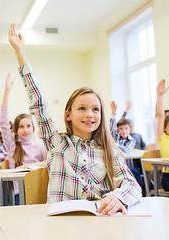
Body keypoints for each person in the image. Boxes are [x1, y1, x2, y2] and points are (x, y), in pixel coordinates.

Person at [8, 23, 141, 215]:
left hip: (99, 222)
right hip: (62, 224)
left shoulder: (108, 151)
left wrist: (118, 197)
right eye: (82, 108)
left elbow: (132, 184)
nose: (90, 114)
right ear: (68, 115)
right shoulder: (57, 143)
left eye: (96, 109)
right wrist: (21, 53)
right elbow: (38, 103)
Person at [0, 72, 47, 204]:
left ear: (33, 128)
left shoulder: (40, 147)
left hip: (41, 192)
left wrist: (29, 166)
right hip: (20, 194)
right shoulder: (12, 147)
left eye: (28, 126)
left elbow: (49, 163)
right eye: (21, 127)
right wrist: (6, 92)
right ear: (15, 130)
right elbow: (3, 123)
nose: (25, 130)